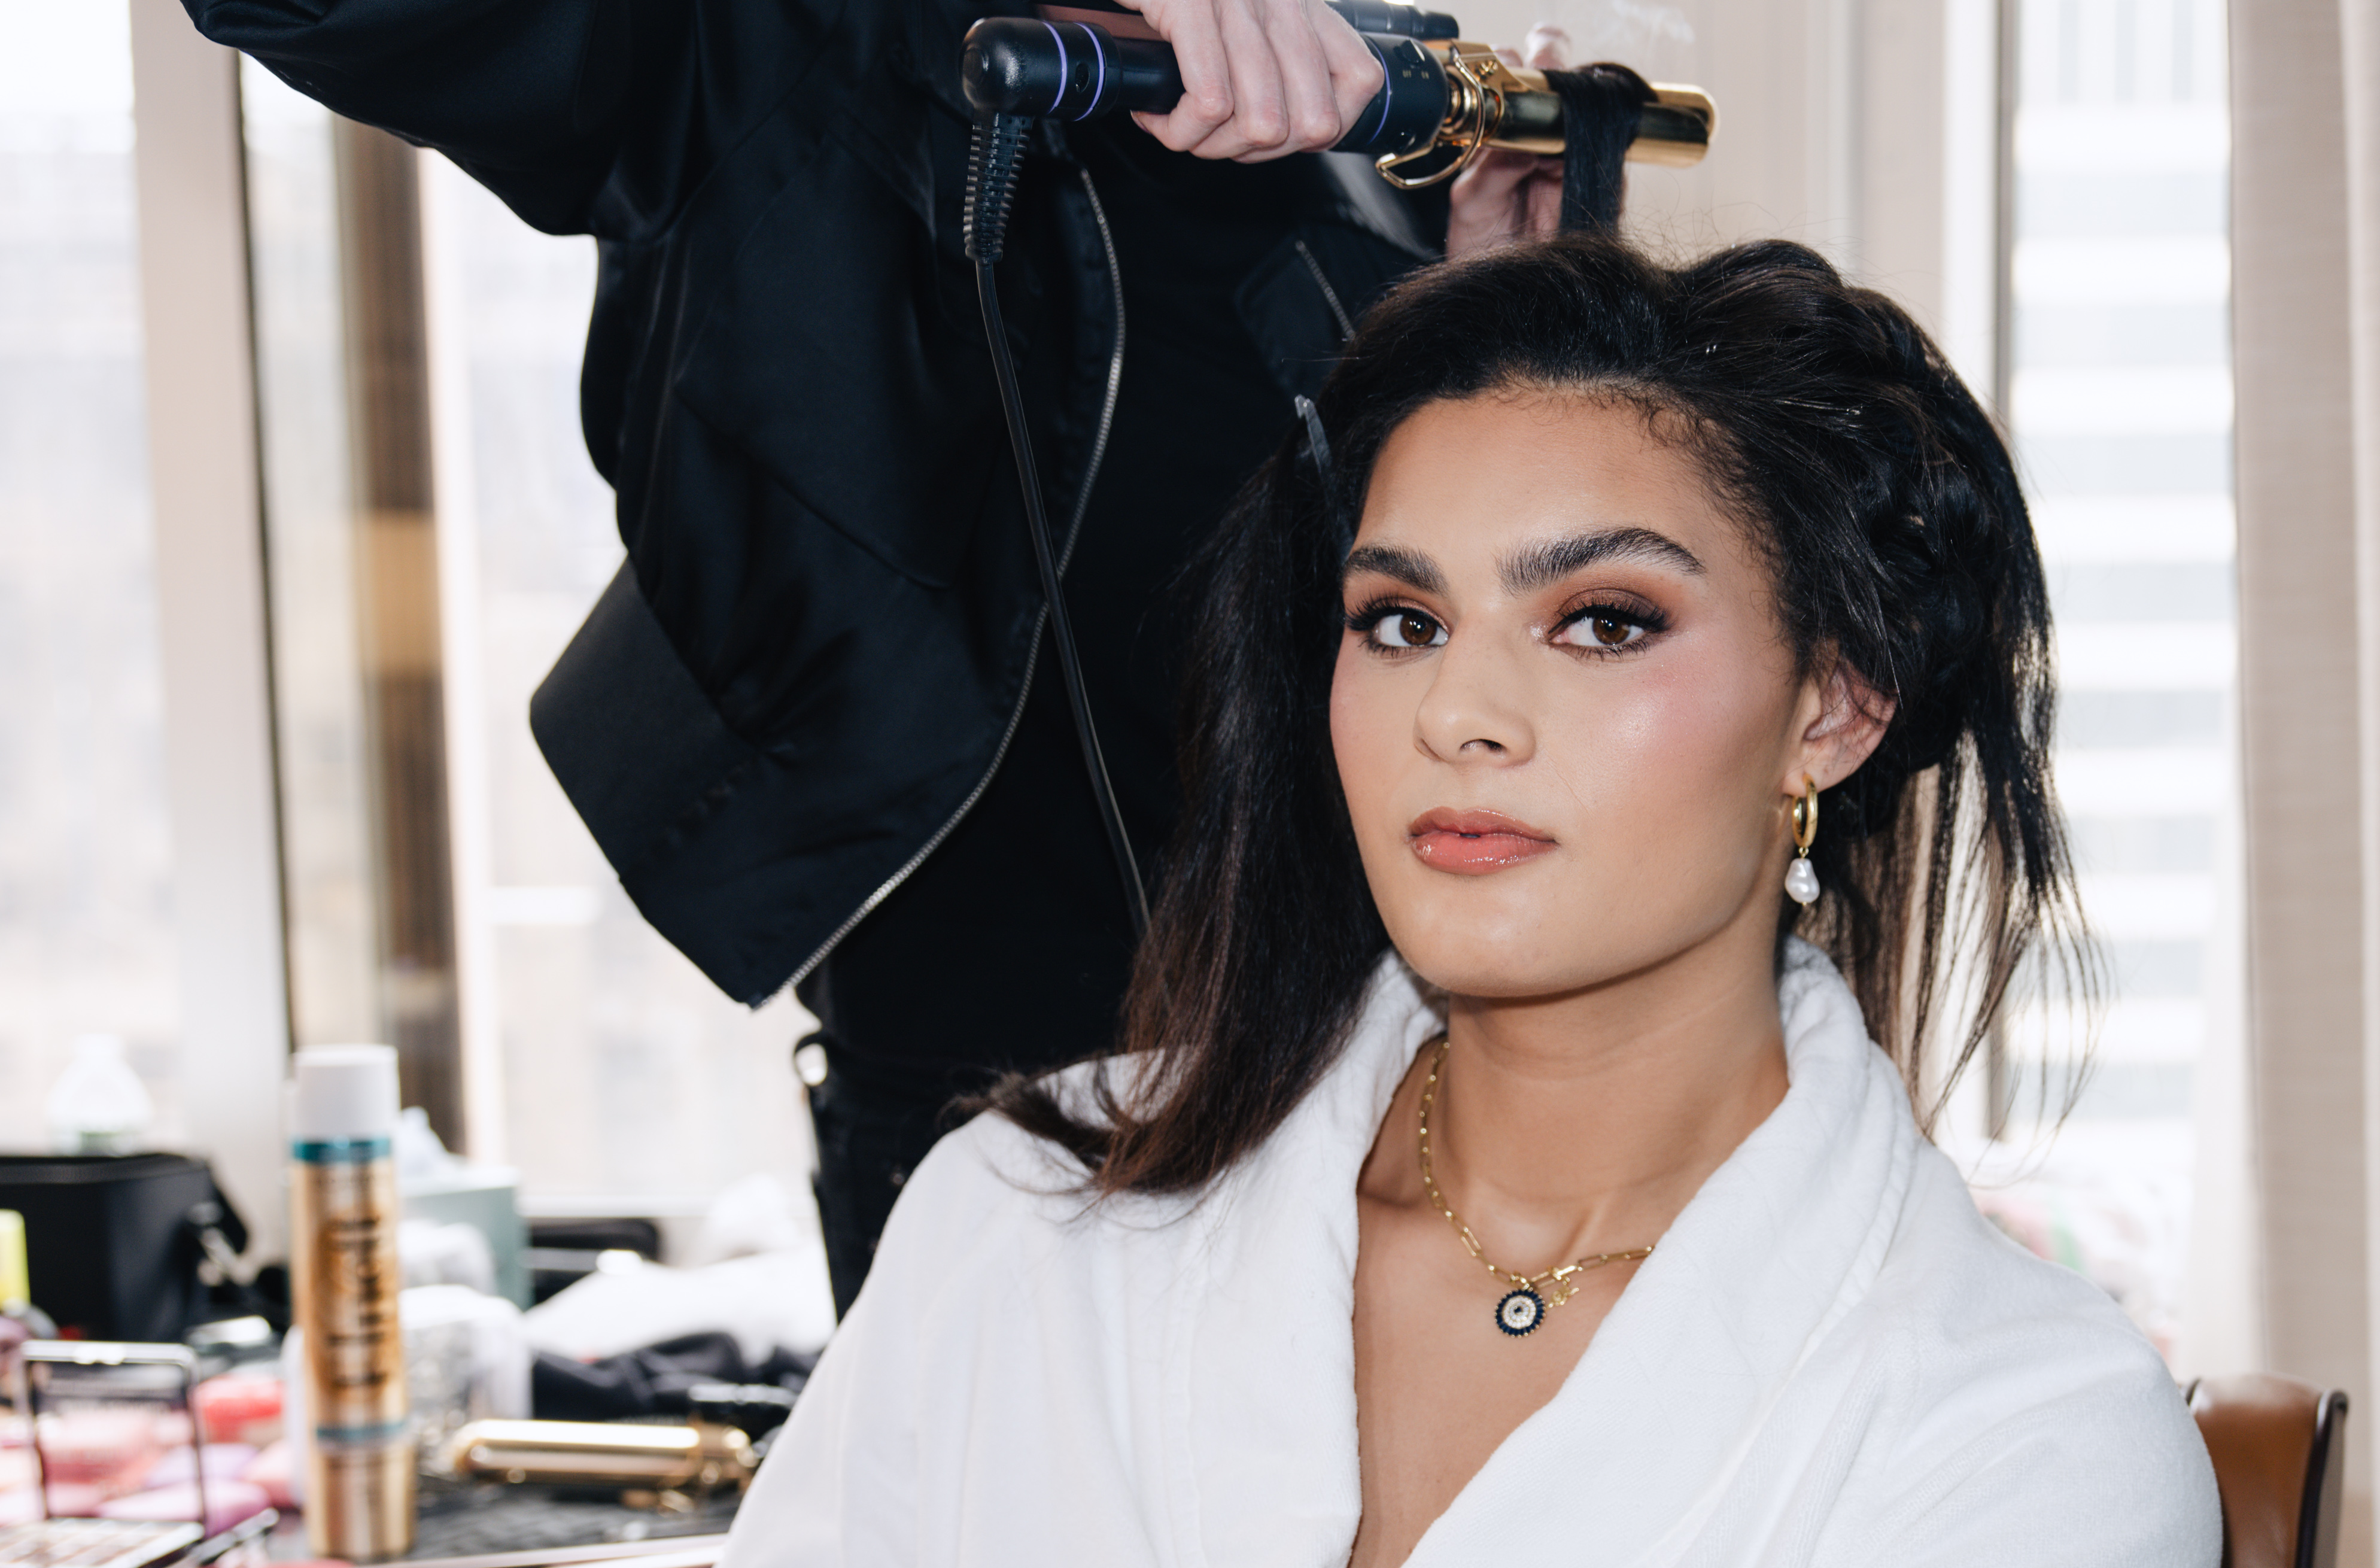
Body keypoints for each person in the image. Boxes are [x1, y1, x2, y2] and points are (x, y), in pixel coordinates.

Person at [554, 235, 2223, 1568]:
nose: (1464, 717)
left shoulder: (2020, 1446)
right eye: (1400, 620)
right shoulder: (1032, 1222)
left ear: (1837, 703)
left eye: (1603, 622)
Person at [181, 0, 1574, 1309]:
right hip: (1000, 1124)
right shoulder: (764, 49)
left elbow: (1363, 610)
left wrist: (1481, 317)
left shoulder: (1332, 97)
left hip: (1383, 1084)